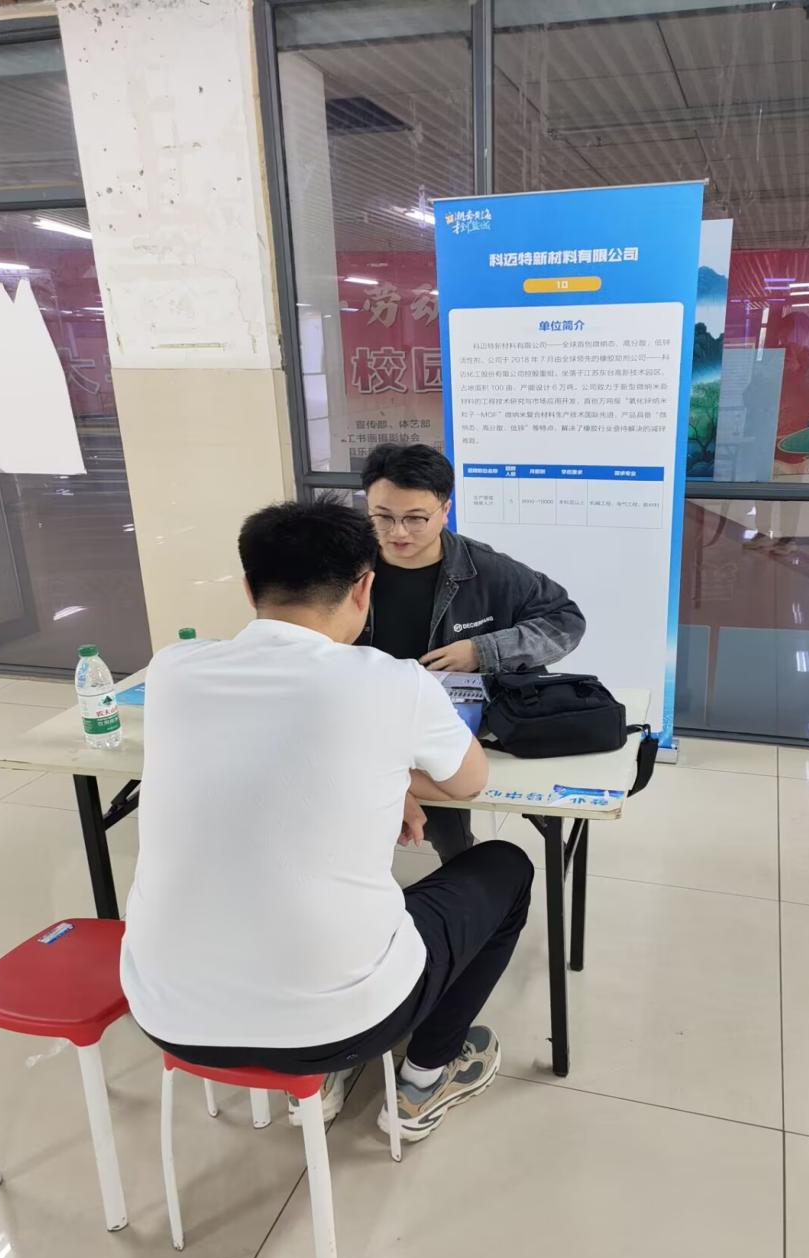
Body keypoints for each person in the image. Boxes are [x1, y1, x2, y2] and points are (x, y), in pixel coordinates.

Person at [120, 498, 534, 1142]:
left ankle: (335, 1078)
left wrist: (384, 772)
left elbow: (264, 750)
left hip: (166, 1017)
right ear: (364, 587)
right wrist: (395, 770)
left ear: (248, 588)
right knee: (505, 866)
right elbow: (469, 781)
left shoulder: (175, 668)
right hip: (340, 1027)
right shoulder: (394, 681)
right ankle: (428, 1076)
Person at [360, 443, 586, 861]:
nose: (398, 533)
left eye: (415, 518)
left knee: (451, 835)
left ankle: (460, 871)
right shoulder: (346, 566)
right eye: (383, 517)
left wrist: (484, 650)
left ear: (445, 510)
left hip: (443, 727)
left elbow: (566, 622)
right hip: (360, 723)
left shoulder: (486, 570)